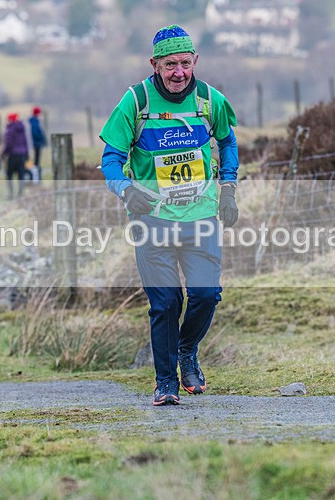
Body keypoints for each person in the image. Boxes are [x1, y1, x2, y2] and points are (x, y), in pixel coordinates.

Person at [100, 25, 240, 406]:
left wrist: (228, 189)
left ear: (194, 60)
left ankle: (186, 351)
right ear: (155, 64)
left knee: (206, 295)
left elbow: (228, 142)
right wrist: (127, 190)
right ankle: (165, 383)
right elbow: (110, 160)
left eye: (184, 63)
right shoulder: (136, 101)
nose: (179, 72)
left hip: (201, 215)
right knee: (165, 302)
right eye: (169, 65)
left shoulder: (210, 100)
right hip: (152, 219)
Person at [1, 112, 29, 199]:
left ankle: (11, 194)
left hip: (13, 155)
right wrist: (27, 154)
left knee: (9, 174)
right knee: (21, 174)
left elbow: (8, 143)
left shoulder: (10, 129)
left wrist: (4, 154)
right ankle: (20, 194)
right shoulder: (22, 129)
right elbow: (25, 142)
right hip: (23, 155)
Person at [28, 106, 47, 182]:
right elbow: (35, 132)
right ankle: (35, 178)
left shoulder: (33, 120)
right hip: (36, 143)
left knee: (35, 161)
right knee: (36, 162)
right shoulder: (34, 121)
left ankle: (35, 177)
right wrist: (41, 139)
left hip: (35, 143)